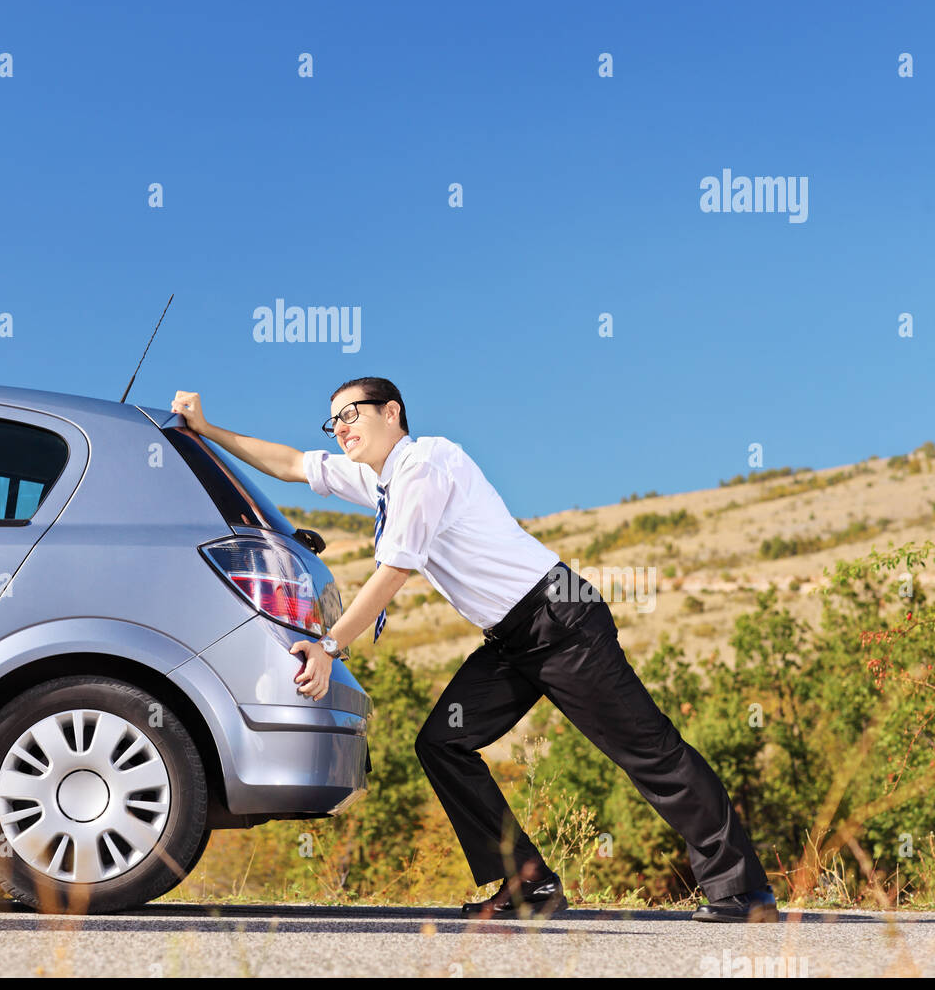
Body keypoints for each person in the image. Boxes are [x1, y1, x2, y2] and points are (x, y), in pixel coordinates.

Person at [169, 377, 778, 923]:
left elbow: (392, 572)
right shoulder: (380, 478)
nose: (342, 428)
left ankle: (743, 891)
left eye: (352, 414)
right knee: (442, 742)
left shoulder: (425, 466)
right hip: (513, 637)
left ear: (392, 412)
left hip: (560, 619)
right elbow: (296, 464)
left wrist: (329, 645)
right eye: (334, 421)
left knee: (649, 752)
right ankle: (529, 884)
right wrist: (208, 430)